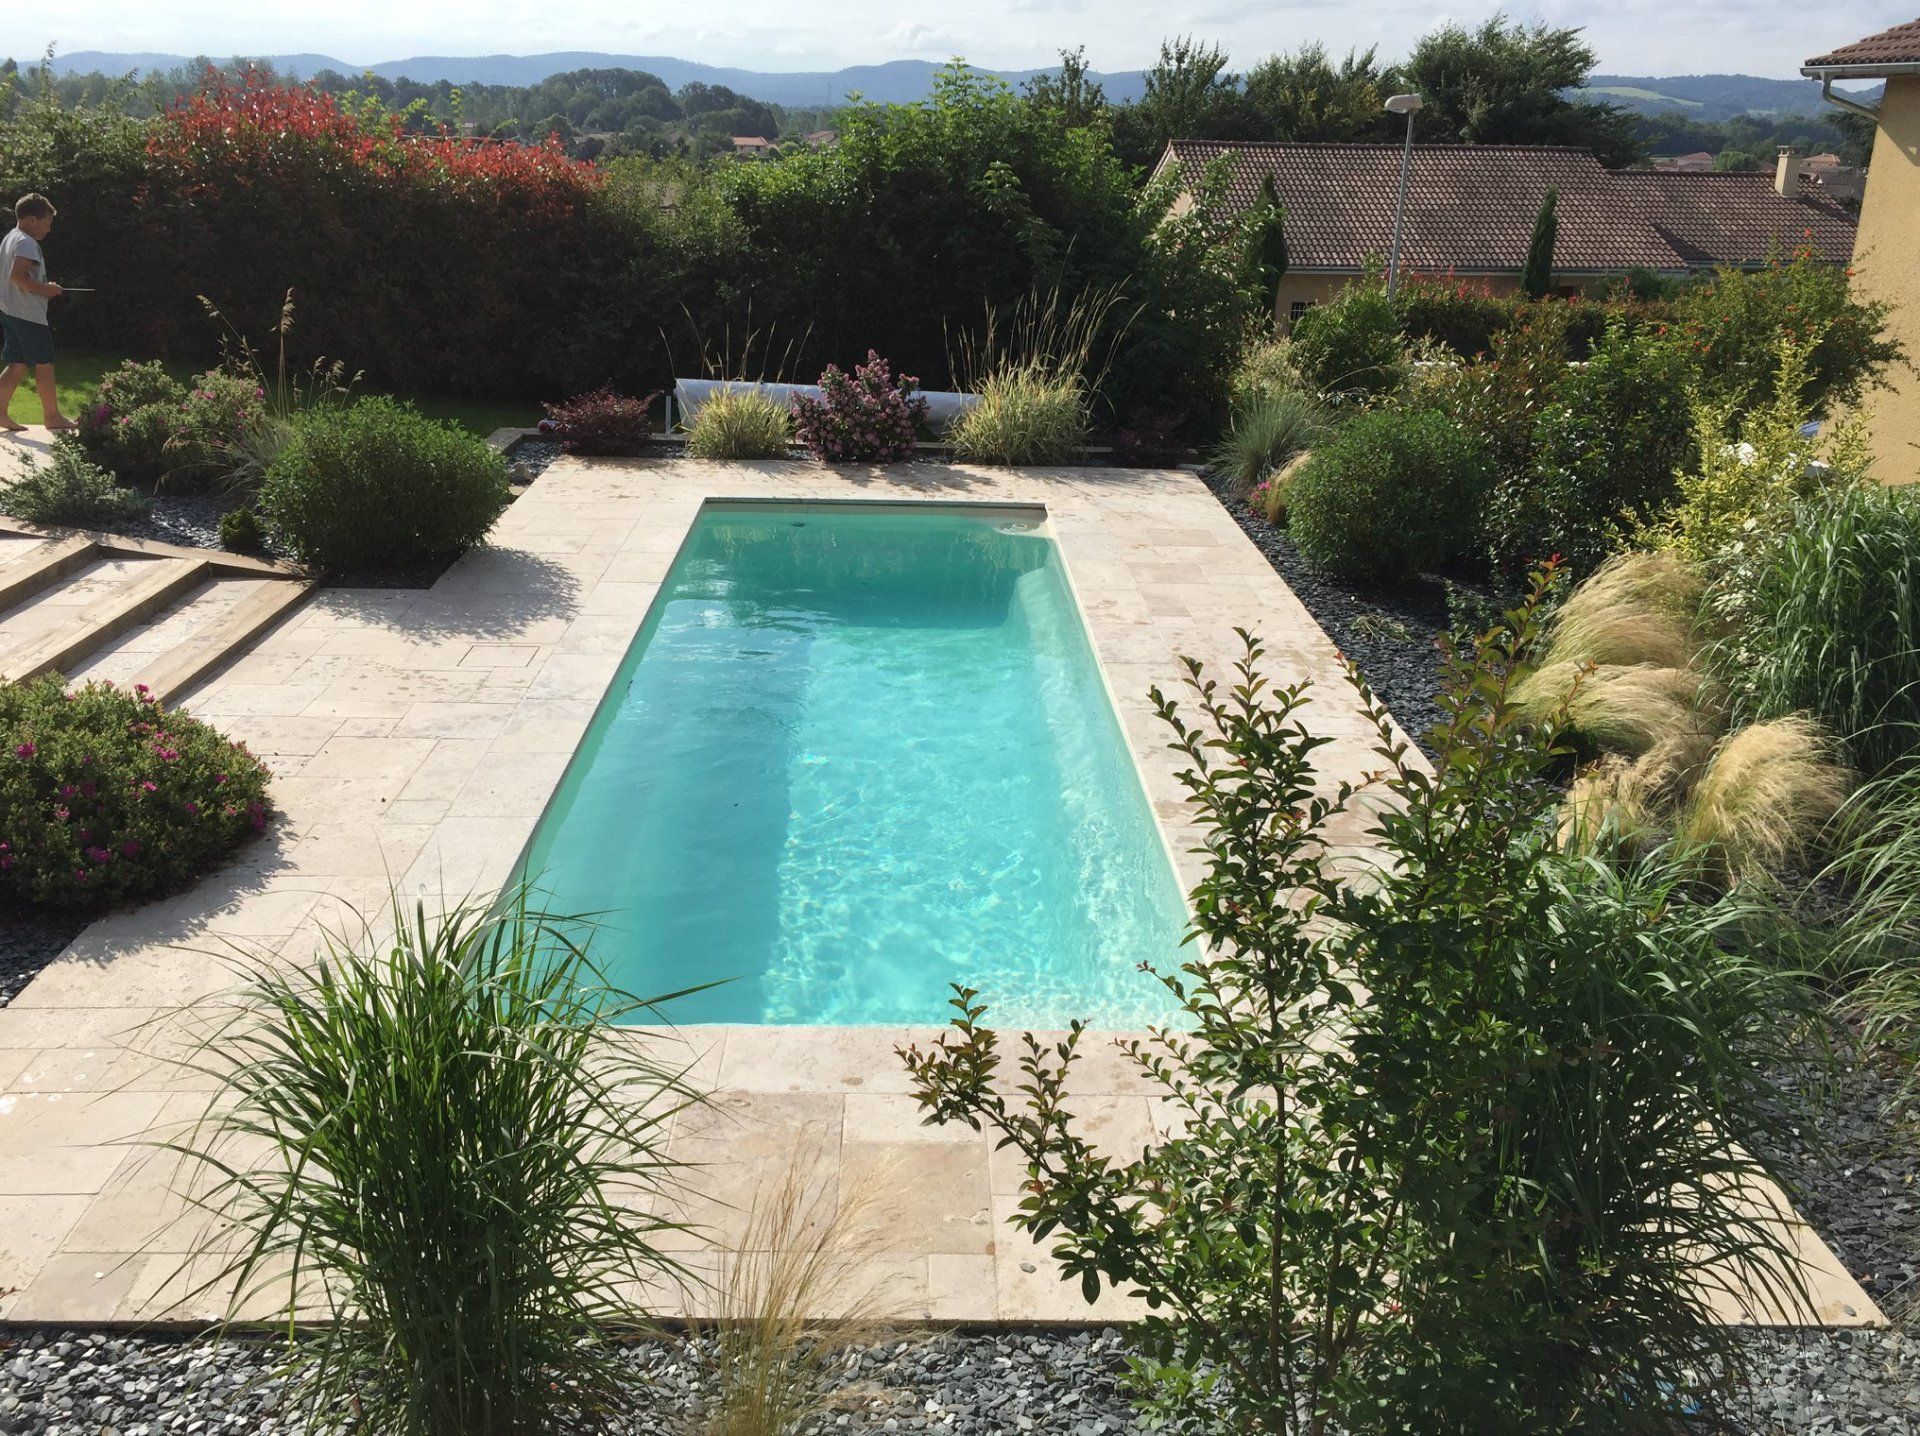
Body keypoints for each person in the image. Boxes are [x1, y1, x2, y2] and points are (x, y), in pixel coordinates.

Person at [0, 193, 72, 432]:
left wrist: (43, 286)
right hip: (27, 314)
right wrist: (47, 290)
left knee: (17, 363)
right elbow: (17, 276)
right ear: (32, 220)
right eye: (47, 223)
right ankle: (52, 417)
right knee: (44, 363)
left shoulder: (11, 238)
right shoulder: (27, 243)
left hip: (11, 311)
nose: (49, 229)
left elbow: (20, 277)